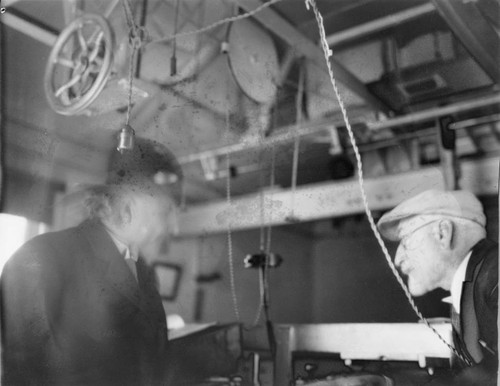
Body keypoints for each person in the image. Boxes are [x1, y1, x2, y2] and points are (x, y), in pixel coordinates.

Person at [1, 137, 182, 385]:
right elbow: (25, 375)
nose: (174, 227)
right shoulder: (40, 258)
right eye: (166, 210)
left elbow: (153, 360)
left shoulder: (146, 273)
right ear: (129, 200)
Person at [377, 189, 498, 385]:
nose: (397, 259)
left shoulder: (495, 277)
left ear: (443, 233)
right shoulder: (470, 290)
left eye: (406, 241)